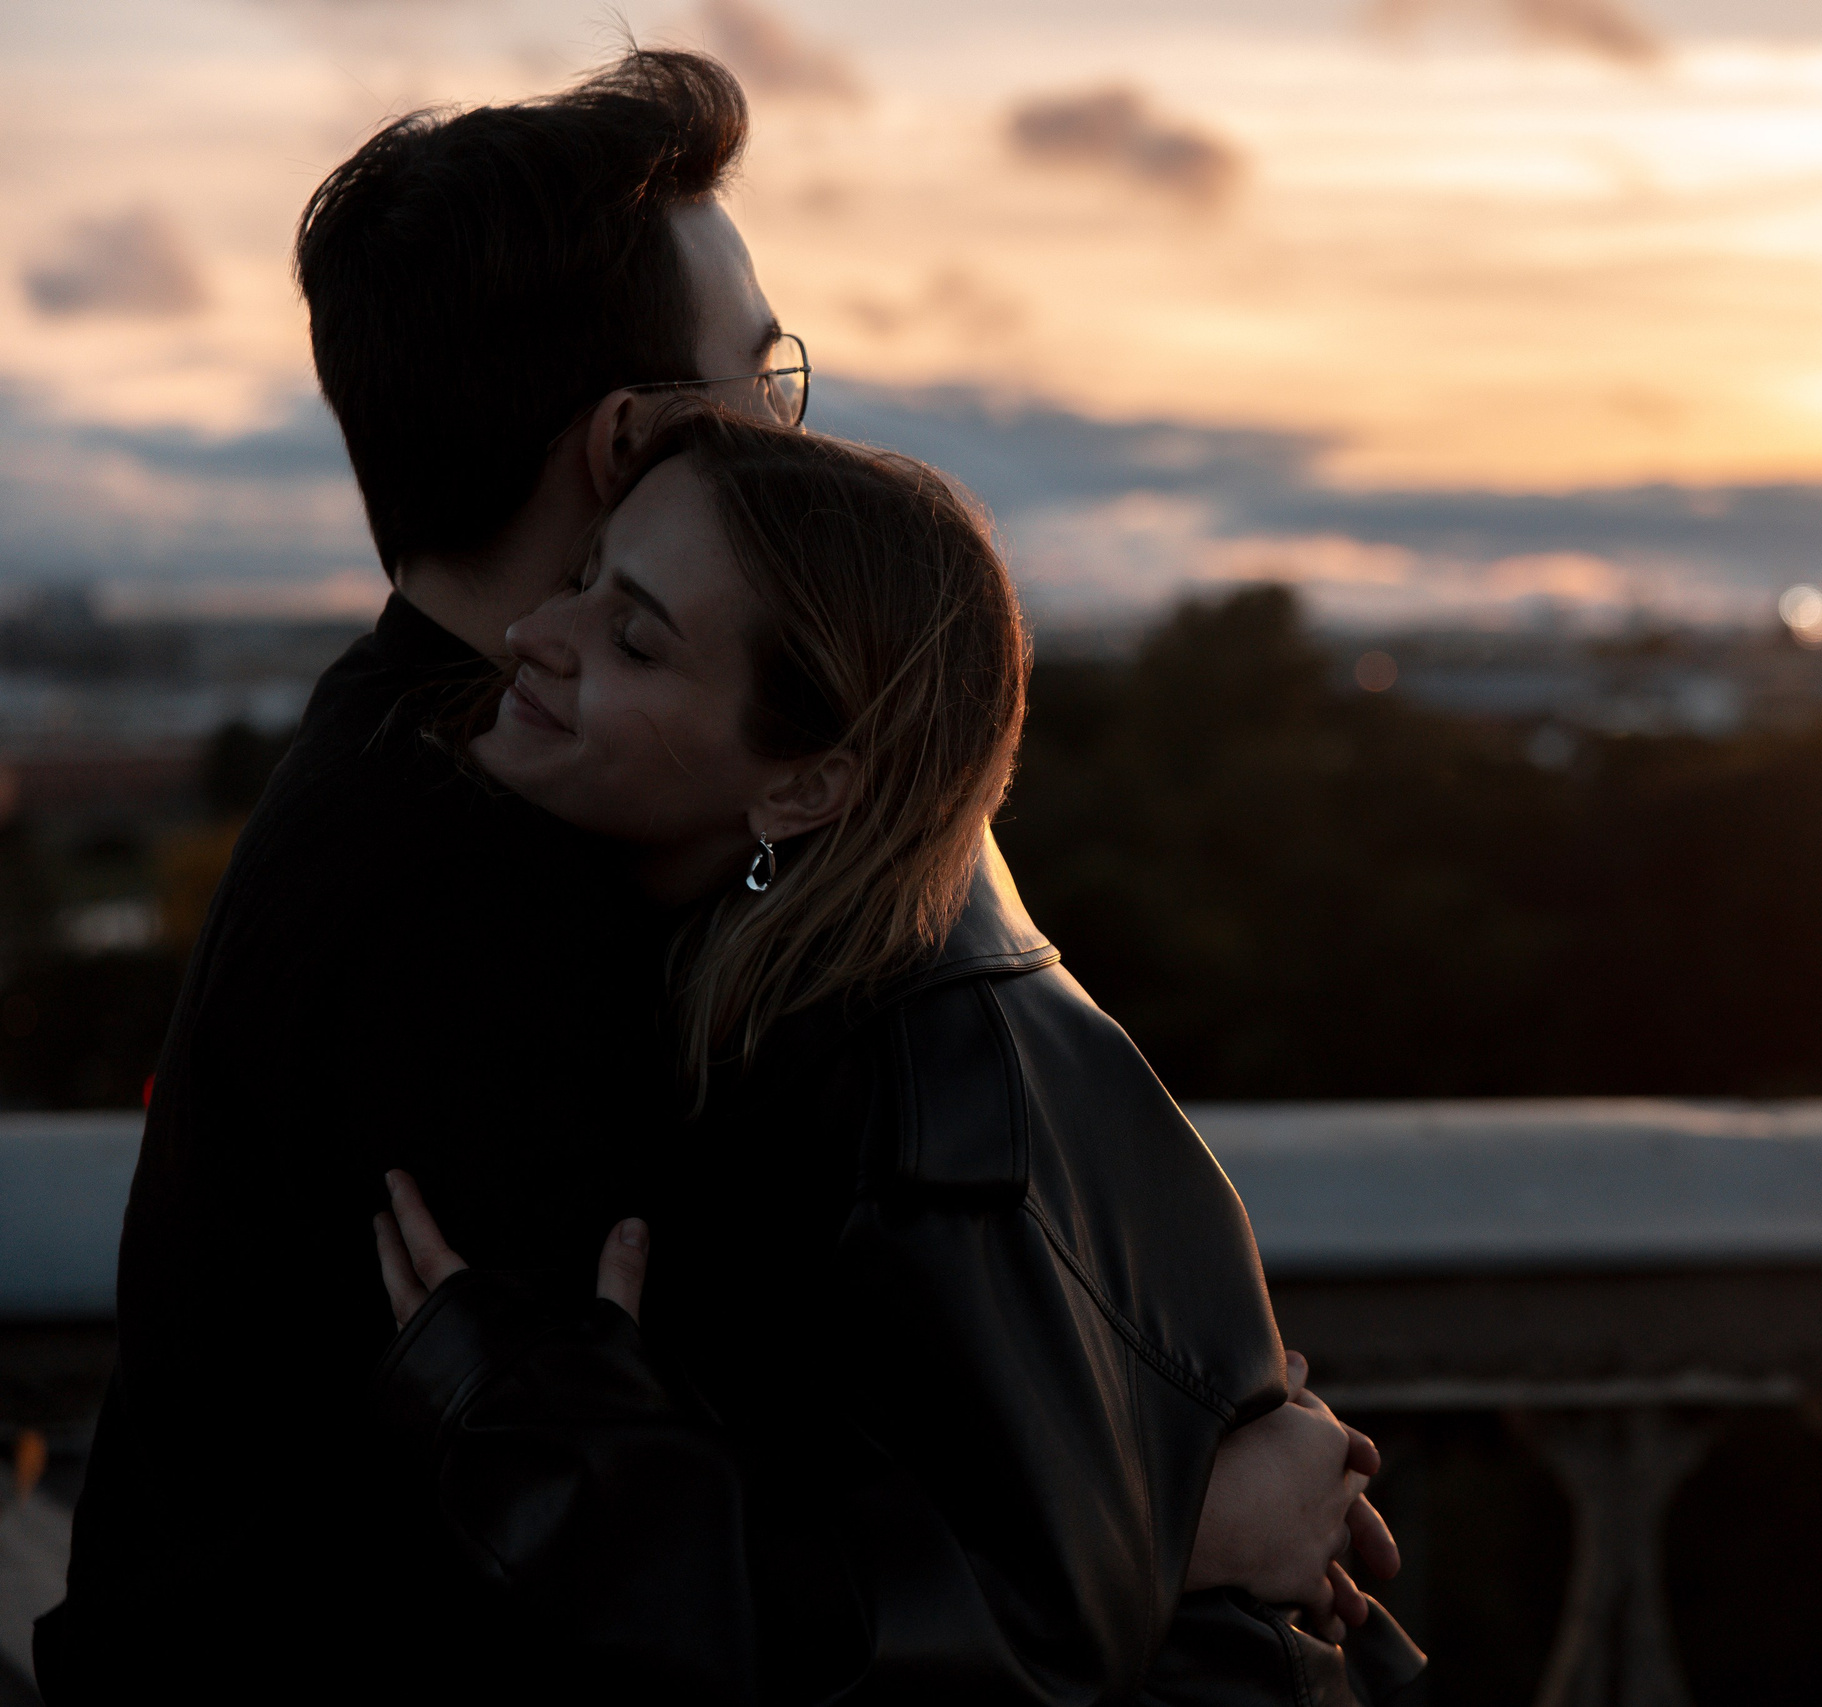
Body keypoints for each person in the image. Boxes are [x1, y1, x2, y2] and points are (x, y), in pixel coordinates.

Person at [36, 47, 1389, 1705]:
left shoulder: (455, 771)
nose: (783, 430)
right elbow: (632, 1600)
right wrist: (1173, 1528)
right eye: (761, 381)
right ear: (632, 440)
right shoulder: (492, 905)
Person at [363, 407, 1424, 1705]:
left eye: (634, 637)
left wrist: (545, 1446)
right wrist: (1182, 1528)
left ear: (807, 788)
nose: (538, 631)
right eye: (583, 578)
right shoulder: (840, 943)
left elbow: (989, 1652)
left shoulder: (917, 1116)